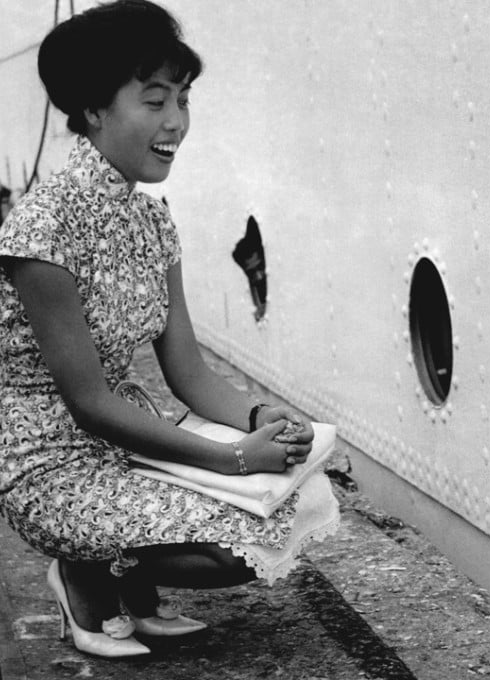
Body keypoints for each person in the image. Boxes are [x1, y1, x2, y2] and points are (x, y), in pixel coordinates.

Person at [0, 0, 336, 658]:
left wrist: (262, 419)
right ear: (93, 110)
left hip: (129, 443)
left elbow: (188, 373)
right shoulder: (41, 228)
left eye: (182, 99)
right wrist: (236, 459)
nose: (176, 121)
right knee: (230, 548)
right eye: (154, 101)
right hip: (49, 461)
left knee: (301, 498)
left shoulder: (152, 221)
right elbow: (89, 403)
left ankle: (127, 585)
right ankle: (84, 573)